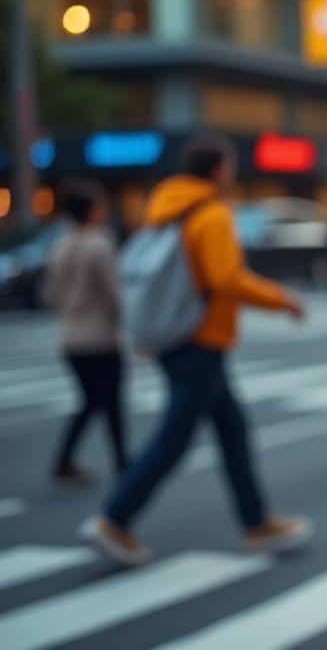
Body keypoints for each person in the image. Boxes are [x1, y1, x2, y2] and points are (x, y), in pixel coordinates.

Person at [81, 135, 312, 567]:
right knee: (175, 438)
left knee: (232, 430)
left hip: (178, 337)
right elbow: (227, 278)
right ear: (219, 170)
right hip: (199, 341)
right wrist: (283, 300)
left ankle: (257, 523)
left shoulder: (165, 212)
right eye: (229, 165)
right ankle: (115, 518)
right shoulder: (211, 215)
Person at [43, 180, 128, 484]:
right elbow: (114, 294)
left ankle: (65, 460)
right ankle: (123, 464)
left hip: (70, 337)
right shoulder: (99, 244)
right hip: (100, 338)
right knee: (111, 404)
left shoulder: (60, 246)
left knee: (91, 401)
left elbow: (50, 295)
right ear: (92, 211)